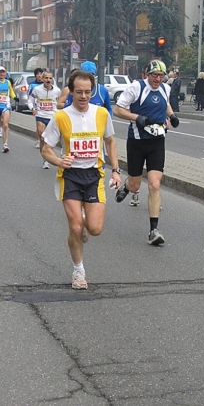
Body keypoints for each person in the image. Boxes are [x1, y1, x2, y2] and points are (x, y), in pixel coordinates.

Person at [41, 70, 121, 290]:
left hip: (94, 176)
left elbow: (110, 142)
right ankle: (78, 271)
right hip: (71, 177)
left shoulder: (102, 114)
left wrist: (116, 170)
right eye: (79, 92)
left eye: (87, 92)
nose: (83, 96)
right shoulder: (61, 117)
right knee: (76, 228)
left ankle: (86, 220)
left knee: (94, 229)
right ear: (71, 91)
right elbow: (46, 148)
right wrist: (58, 161)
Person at [113, 60, 180, 245]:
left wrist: (172, 116)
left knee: (155, 184)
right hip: (137, 142)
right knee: (135, 186)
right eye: (155, 76)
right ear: (147, 75)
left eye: (161, 76)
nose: (158, 79)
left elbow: (166, 104)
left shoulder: (165, 89)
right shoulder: (136, 87)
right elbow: (117, 110)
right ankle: (126, 187)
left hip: (157, 142)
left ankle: (154, 230)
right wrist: (138, 118)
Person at [28, 70, 62, 168]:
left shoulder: (57, 90)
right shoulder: (37, 89)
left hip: (52, 116)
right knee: (42, 137)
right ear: (42, 79)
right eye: (46, 78)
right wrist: (32, 108)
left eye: (50, 78)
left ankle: (49, 154)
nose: (48, 80)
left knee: (50, 140)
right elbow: (30, 100)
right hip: (41, 115)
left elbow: (60, 102)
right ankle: (45, 160)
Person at [28, 68, 45, 147]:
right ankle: (38, 140)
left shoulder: (46, 84)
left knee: (44, 126)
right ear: (35, 75)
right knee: (39, 125)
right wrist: (32, 107)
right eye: (37, 74)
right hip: (36, 107)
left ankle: (43, 140)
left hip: (46, 107)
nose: (39, 75)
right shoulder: (32, 85)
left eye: (40, 74)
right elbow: (30, 97)